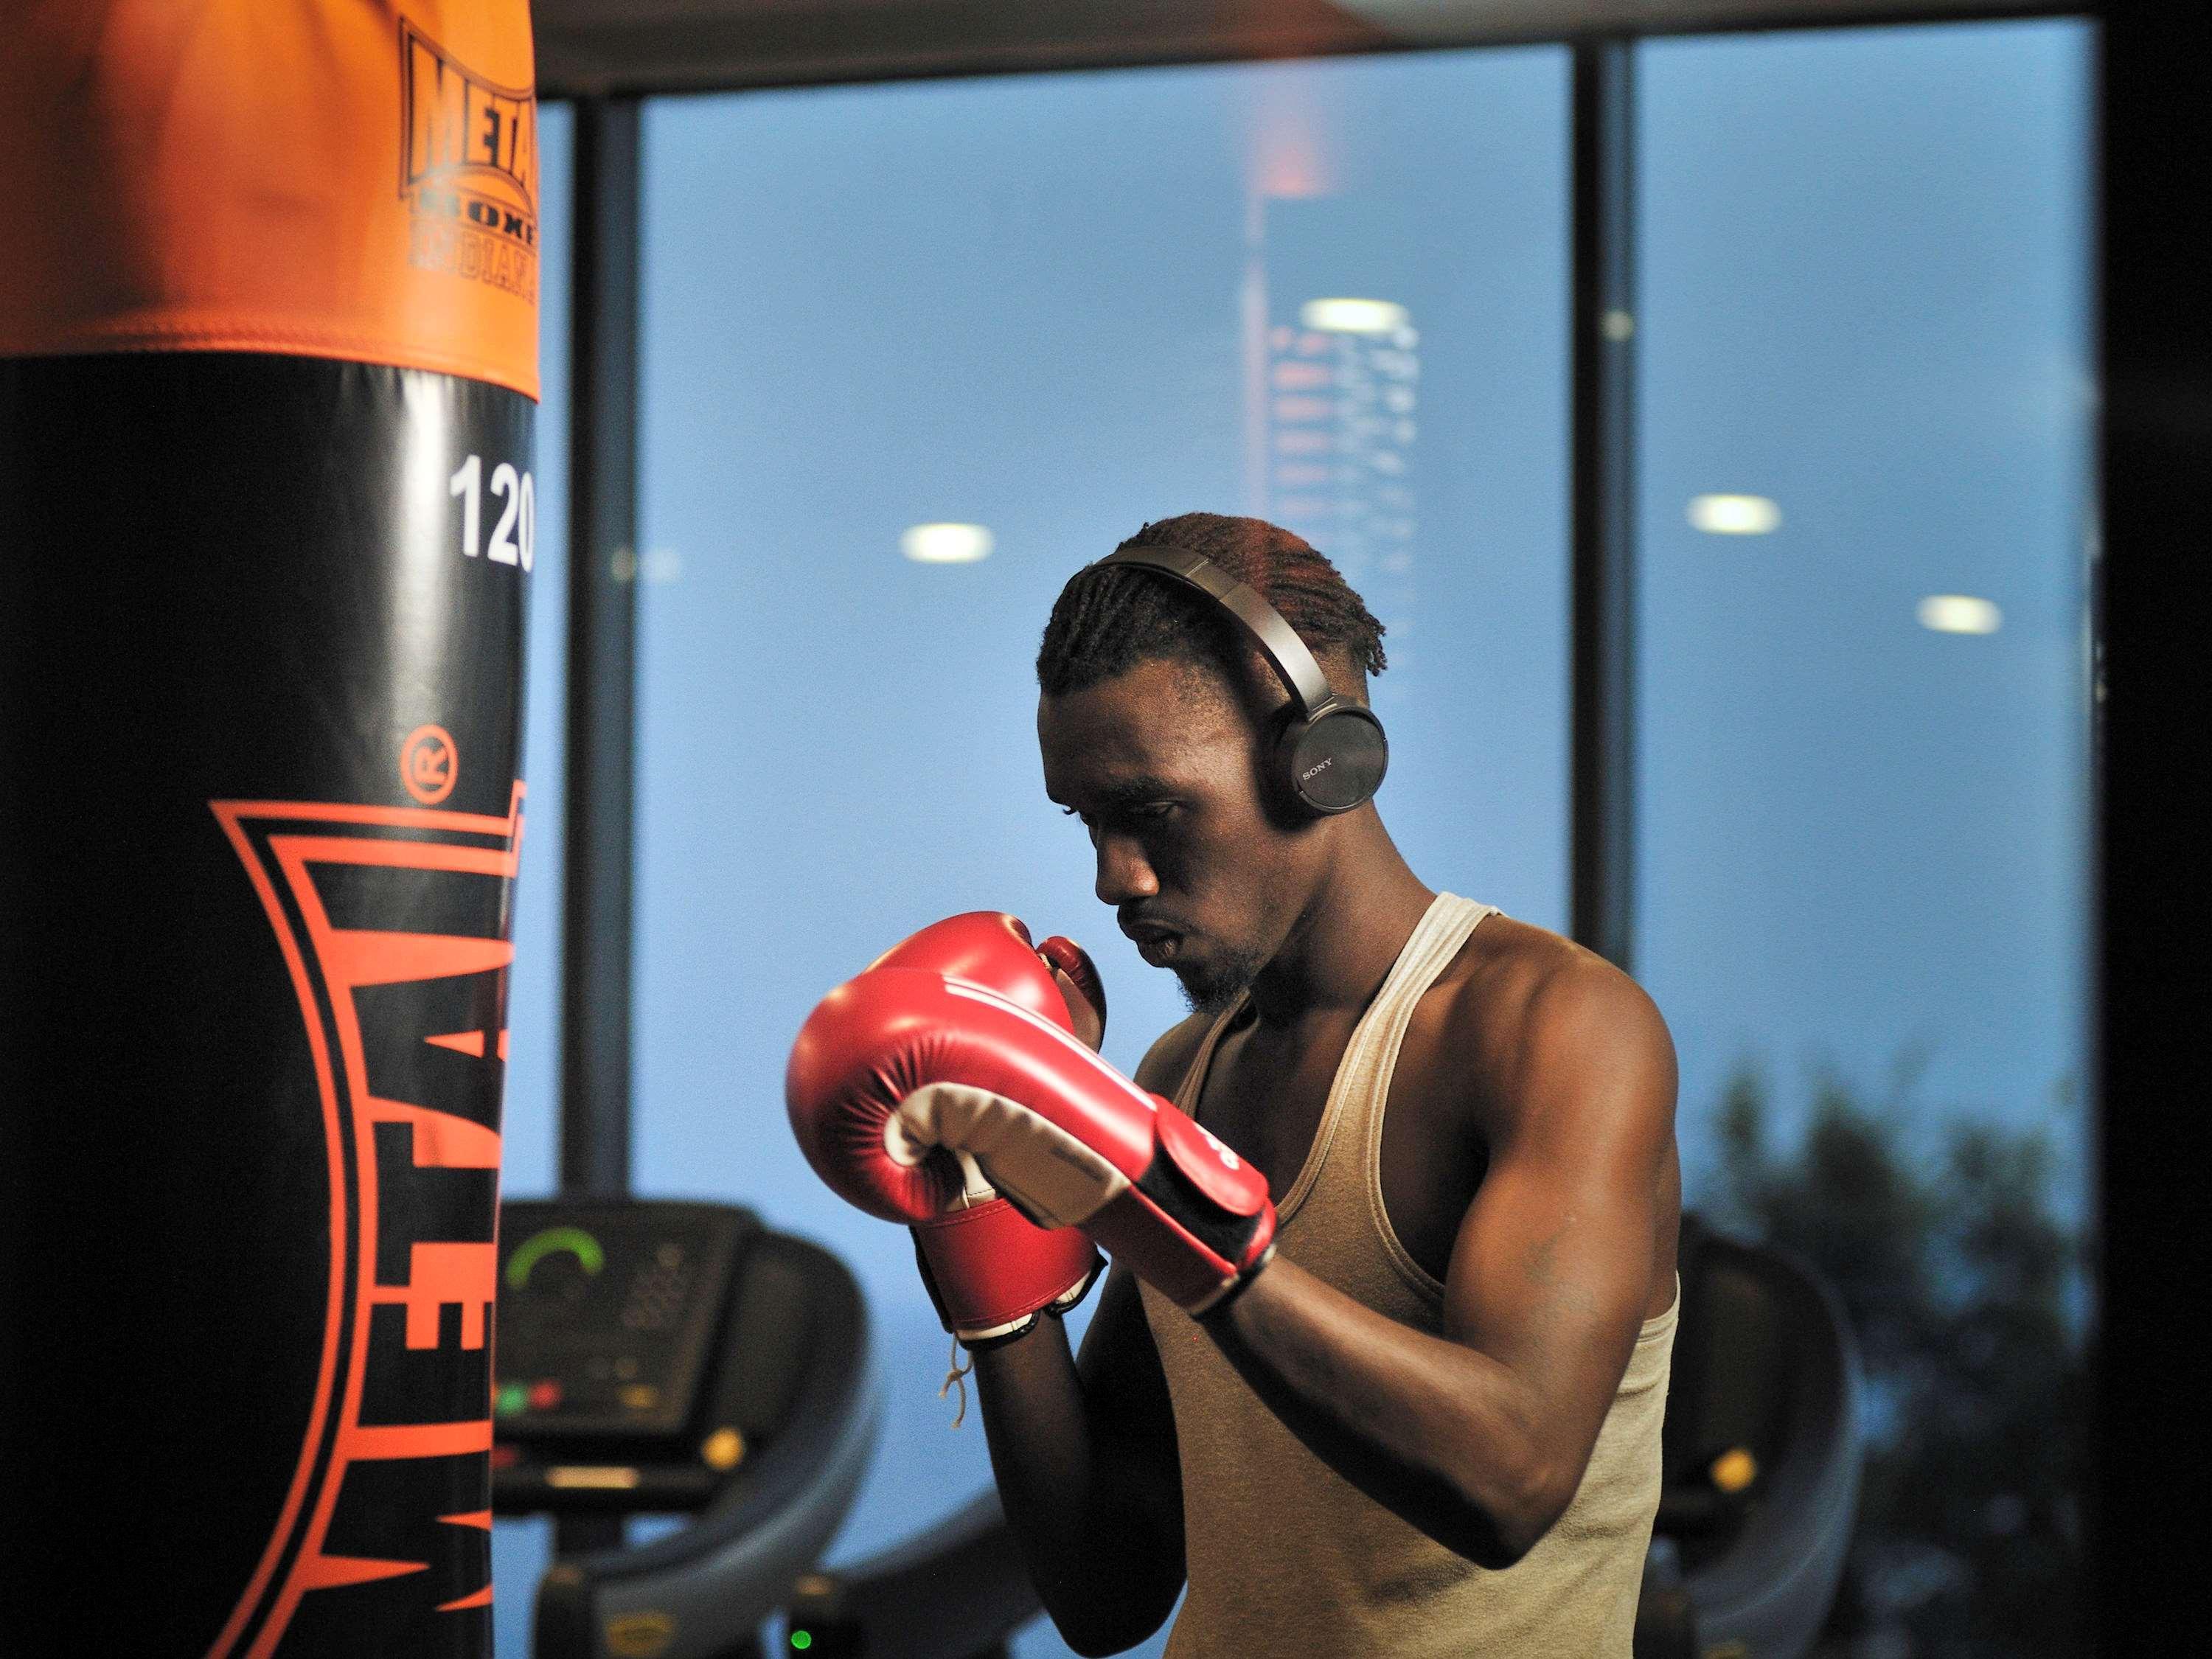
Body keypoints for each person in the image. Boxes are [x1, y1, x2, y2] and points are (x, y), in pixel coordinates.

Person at [793, 512, 1680, 1658]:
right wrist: (980, 1223)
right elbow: (1109, 1585)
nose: (1115, 875)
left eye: (1151, 810)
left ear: (1318, 757)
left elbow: (1511, 1482)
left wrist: (1135, 1187)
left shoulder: (1557, 1032)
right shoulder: (1186, 1076)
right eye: (1090, 820)